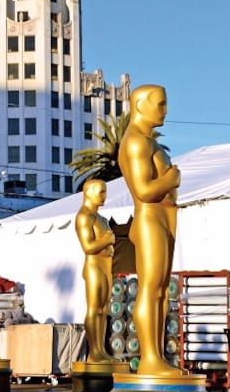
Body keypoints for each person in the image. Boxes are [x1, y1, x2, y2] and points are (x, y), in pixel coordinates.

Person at [117, 84, 185, 376]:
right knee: (151, 287)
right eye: (160, 104)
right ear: (141, 105)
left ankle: (157, 355)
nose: (165, 110)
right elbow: (144, 190)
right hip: (149, 218)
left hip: (162, 217)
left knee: (160, 291)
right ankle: (150, 357)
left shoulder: (148, 142)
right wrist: (171, 179)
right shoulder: (136, 143)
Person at [75, 179, 120, 363]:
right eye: (101, 191)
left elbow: (107, 245)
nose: (104, 196)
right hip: (94, 266)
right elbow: (88, 246)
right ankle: (94, 351)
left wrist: (107, 243)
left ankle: (100, 349)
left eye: (105, 191)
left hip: (105, 265)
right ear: (89, 192)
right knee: (94, 308)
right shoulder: (84, 216)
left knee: (103, 309)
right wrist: (107, 240)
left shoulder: (101, 219)